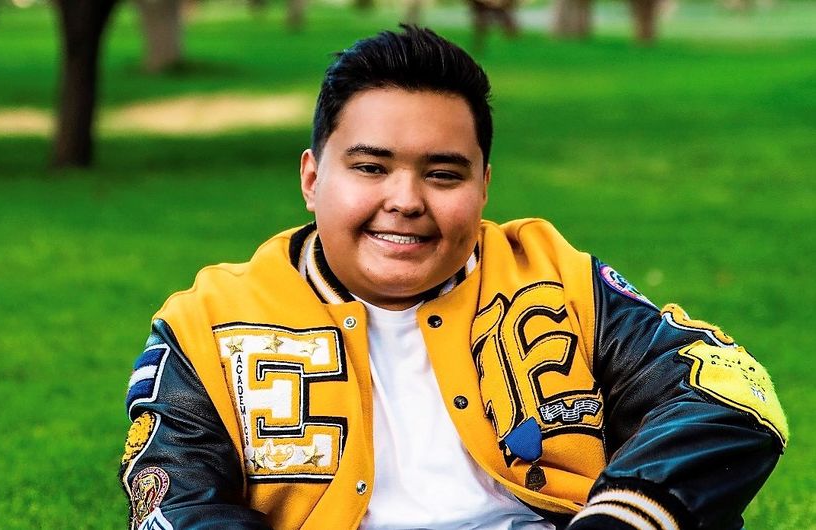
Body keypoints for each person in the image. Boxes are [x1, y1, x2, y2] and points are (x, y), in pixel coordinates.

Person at [119, 26, 787, 530]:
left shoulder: (552, 278)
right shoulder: (208, 323)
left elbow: (729, 393)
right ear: (312, 178)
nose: (406, 200)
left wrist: (622, 517)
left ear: (484, 186)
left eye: (443, 174)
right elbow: (171, 501)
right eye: (371, 168)